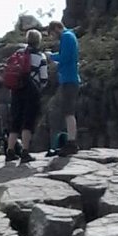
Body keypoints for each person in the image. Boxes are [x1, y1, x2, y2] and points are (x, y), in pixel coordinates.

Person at [5, 29, 48, 165]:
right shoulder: (40, 56)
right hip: (31, 90)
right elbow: (44, 78)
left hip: (17, 89)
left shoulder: (18, 53)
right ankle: (24, 151)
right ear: (38, 41)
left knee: (15, 120)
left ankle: (10, 151)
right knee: (27, 121)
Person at [47, 20, 80, 156]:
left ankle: (72, 142)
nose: (54, 37)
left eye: (53, 34)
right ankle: (71, 141)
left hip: (69, 79)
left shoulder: (66, 37)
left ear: (56, 29)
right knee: (68, 112)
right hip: (69, 79)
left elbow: (65, 57)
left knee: (69, 112)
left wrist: (51, 56)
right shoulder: (70, 36)